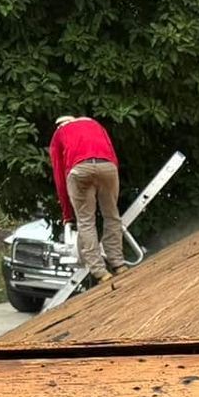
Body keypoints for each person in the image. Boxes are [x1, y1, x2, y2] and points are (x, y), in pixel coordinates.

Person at [48, 115, 125, 281]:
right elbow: (111, 152)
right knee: (111, 215)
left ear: (60, 125)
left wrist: (67, 214)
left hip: (79, 170)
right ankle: (119, 264)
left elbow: (59, 176)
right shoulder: (95, 124)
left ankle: (99, 272)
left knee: (86, 221)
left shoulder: (59, 134)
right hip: (108, 167)